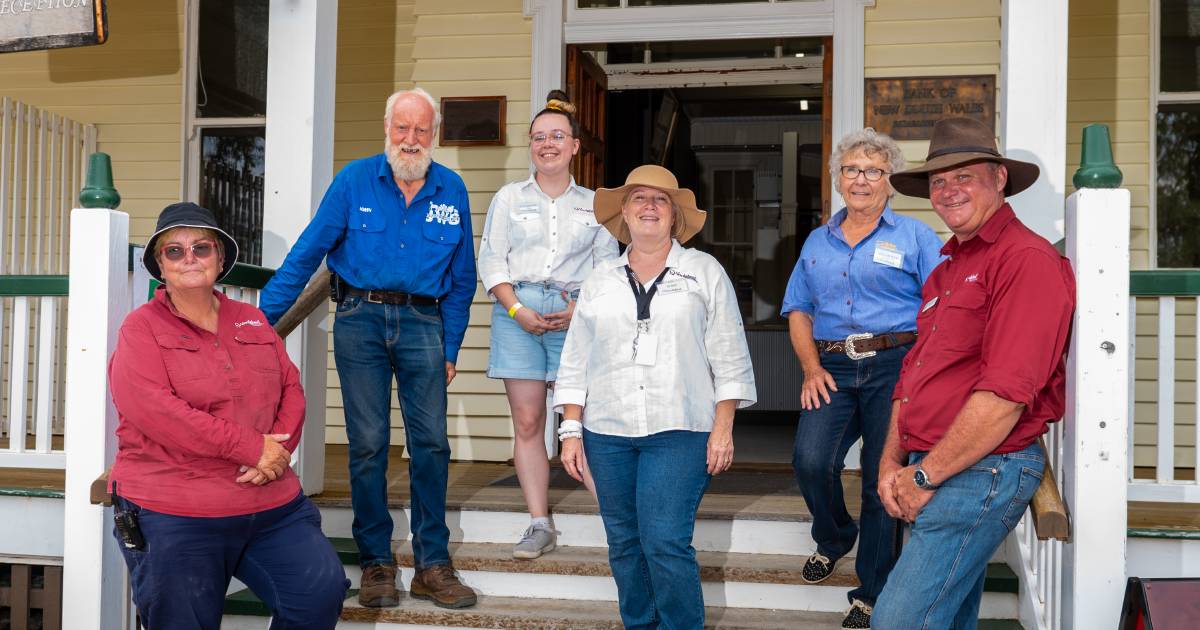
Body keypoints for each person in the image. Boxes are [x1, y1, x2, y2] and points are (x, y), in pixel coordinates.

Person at [257, 88, 478, 609]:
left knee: (431, 446)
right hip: (359, 320)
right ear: (386, 127)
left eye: (421, 129)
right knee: (368, 444)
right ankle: (377, 562)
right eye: (402, 128)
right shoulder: (354, 180)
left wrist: (450, 345)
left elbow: (463, 277)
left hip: (425, 323)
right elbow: (307, 252)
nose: (410, 139)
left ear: (435, 134)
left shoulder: (453, 190)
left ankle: (432, 563)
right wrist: (259, 323)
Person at [870, 117, 1075, 629]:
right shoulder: (945, 269)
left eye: (963, 176)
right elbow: (913, 378)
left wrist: (922, 474)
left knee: (895, 623)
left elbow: (1005, 395)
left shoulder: (1025, 260)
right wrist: (889, 461)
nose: (947, 190)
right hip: (940, 461)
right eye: (938, 181)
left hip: (984, 467)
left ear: (1000, 179)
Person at [107, 202, 348, 629]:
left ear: (219, 257)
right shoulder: (140, 328)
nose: (189, 259)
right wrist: (252, 447)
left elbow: (291, 389)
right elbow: (155, 410)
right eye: (174, 251)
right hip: (175, 509)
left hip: (270, 504)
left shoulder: (251, 320)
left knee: (319, 593)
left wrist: (279, 450)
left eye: (200, 248)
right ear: (160, 265)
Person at [554, 165, 757, 629]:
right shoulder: (600, 279)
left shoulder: (704, 272)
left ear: (674, 217)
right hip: (606, 431)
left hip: (680, 428)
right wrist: (570, 430)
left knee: (665, 540)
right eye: (639, 198)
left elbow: (729, 353)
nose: (649, 206)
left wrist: (723, 428)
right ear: (624, 213)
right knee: (624, 542)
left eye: (660, 200)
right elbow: (575, 360)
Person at [780, 128, 944, 629]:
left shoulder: (915, 237)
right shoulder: (816, 240)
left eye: (874, 170)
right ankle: (833, 538)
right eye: (851, 169)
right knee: (810, 461)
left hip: (895, 364)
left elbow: (940, 307)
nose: (862, 179)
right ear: (838, 178)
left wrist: (926, 371)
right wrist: (810, 368)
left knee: (882, 480)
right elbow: (798, 309)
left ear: (889, 181)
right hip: (829, 365)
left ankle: (870, 592)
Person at [478, 90, 619, 559]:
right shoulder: (508, 197)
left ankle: (620, 525)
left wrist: (579, 311)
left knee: (585, 420)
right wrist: (517, 309)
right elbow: (491, 261)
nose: (548, 144)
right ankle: (540, 523)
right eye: (539, 137)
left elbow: (608, 265)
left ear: (576, 145)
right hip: (517, 310)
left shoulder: (595, 203)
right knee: (529, 420)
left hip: (576, 313)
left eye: (558, 136)